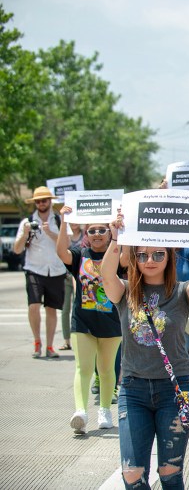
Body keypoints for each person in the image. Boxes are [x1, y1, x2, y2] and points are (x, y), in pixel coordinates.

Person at [101, 209, 189, 489]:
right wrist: (116, 238)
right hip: (133, 390)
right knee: (132, 473)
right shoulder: (125, 293)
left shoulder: (181, 293)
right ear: (135, 258)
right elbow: (106, 275)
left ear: (169, 257)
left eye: (158, 254)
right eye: (142, 255)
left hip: (175, 390)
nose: (150, 260)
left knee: (169, 473)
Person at [56, 207, 122, 434]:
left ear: (108, 232)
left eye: (101, 230)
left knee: (105, 370)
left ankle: (104, 410)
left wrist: (118, 231)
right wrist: (64, 220)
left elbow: (126, 259)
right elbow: (61, 252)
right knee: (83, 368)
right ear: (86, 233)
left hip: (112, 323)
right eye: (92, 230)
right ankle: (81, 412)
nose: (96, 234)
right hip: (82, 321)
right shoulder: (79, 254)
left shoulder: (116, 254)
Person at [13, 186, 67, 358]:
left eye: (44, 200)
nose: (41, 203)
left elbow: (66, 244)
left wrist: (50, 233)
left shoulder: (59, 220)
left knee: (51, 309)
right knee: (33, 306)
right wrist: (25, 234)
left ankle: (49, 346)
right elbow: (17, 249)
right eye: (38, 201)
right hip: (34, 269)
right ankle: (37, 342)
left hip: (56, 270)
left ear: (50, 201)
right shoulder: (27, 221)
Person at [60, 222, 85, 351]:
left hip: (82, 277)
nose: (74, 223)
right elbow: (61, 252)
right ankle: (66, 340)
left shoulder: (85, 236)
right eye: (72, 221)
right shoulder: (66, 237)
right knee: (65, 309)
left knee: (79, 306)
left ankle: (81, 338)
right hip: (66, 276)